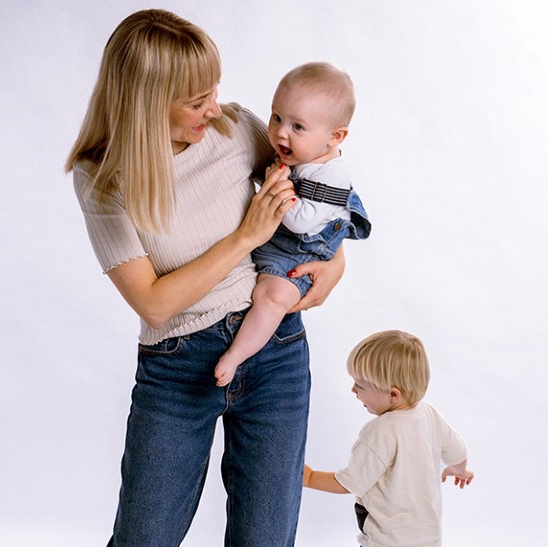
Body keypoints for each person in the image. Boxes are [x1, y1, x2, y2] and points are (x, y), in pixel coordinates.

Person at [65, 9, 346, 546]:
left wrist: (334, 265)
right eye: (197, 101)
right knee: (144, 537)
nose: (215, 109)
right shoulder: (103, 177)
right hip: (178, 365)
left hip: (276, 351)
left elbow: (322, 197)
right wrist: (244, 237)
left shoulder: (238, 129)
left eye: (213, 91)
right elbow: (152, 303)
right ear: (146, 103)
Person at [215, 62, 371, 387]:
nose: (281, 132)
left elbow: (300, 223)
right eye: (276, 117)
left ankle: (236, 355)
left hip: (296, 256)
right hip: (272, 242)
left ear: (335, 137)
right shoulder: (299, 156)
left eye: (297, 127)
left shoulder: (330, 176)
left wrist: (276, 185)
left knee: (272, 298)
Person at [303, 330, 474, 547]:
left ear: (393, 394)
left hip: (387, 540)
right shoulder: (430, 414)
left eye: (360, 386)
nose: (353, 390)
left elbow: (351, 482)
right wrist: (459, 470)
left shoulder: (380, 431)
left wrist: (309, 478)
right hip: (428, 538)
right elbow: (458, 452)